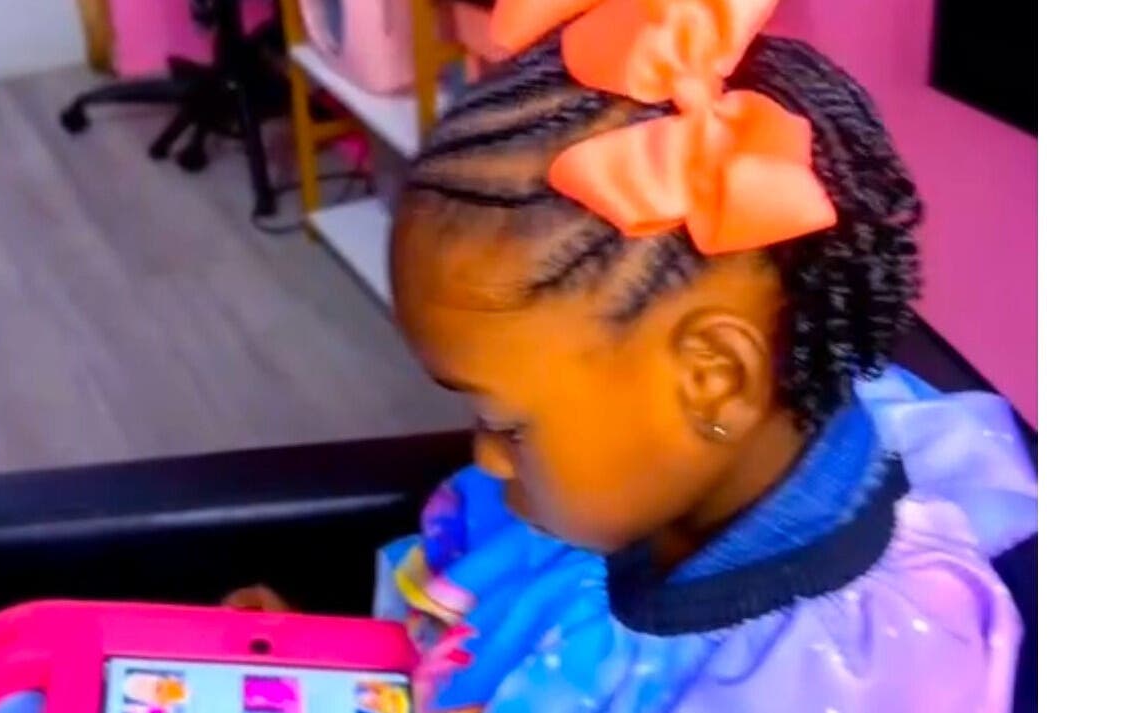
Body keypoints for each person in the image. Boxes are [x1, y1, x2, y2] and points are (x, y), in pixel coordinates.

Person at [372, 1, 1038, 711]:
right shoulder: (643, 476)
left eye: (506, 424)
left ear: (714, 382)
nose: (486, 460)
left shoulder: (857, 680)